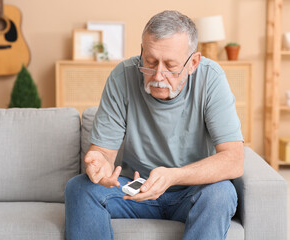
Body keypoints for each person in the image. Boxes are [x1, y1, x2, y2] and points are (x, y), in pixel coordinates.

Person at [65, 10, 244, 240]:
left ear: (193, 63)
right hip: (135, 190)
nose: (158, 75)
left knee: (221, 192)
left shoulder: (211, 78)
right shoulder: (123, 76)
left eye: (170, 65)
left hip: (190, 191)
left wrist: (173, 176)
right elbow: (103, 153)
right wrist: (99, 162)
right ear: (141, 51)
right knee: (79, 188)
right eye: (150, 62)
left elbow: (234, 159)